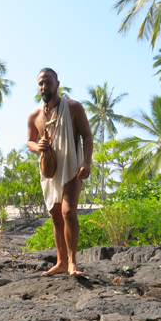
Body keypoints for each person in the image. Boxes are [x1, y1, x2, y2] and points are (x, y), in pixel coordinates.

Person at [27, 68, 93, 276]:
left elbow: (87, 136)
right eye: (40, 83)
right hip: (50, 171)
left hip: (72, 168)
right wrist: (38, 147)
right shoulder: (35, 115)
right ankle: (60, 262)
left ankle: (73, 262)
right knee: (56, 216)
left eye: (47, 82)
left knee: (68, 212)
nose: (44, 87)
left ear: (57, 83)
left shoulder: (73, 107)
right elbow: (29, 141)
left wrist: (86, 162)